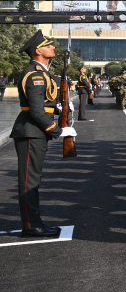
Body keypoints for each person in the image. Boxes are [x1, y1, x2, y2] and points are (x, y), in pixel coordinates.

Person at [12, 30, 77, 237]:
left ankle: (35, 222)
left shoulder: (42, 72)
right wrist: (58, 131)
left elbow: (44, 105)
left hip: (35, 130)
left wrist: (59, 109)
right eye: (49, 45)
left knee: (34, 181)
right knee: (29, 182)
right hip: (31, 130)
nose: (53, 48)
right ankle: (31, 226)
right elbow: (37, 111)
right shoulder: (35, 74)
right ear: (38, 51)